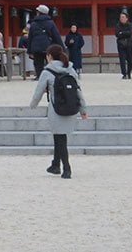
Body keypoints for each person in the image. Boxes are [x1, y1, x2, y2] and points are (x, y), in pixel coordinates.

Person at [30, 44, 88, 179]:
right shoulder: (70, 70)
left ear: (49, 56)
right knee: (59, 136)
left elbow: (38, 92)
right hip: (71, 107)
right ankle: (55, 164)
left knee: (60, 138)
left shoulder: (47, 72)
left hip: (56, 109)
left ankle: (66, 168)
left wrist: (32, 105)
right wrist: (83, 110)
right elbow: (78, 91)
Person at [27, 5, 63, 80]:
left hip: (36, 46)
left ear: (39, 12)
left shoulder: (33, 24)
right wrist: (62, 47)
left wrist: (29, 50)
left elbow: (30, 37)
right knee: (50, 62)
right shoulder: (50, 23)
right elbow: (56, 36)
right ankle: (50, 75)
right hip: (48, 46)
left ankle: (39, 76)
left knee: (38, 63)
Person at [115, 10, 132, 79]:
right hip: (121, 45)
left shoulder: (130, 25)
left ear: (126, 18)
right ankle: (124, 74)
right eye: (120, 17)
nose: (121, 18)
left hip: (129, 45)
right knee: (122, 60)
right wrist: (124, 33)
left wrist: (122, 33)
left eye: (123, 17)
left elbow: (130, 33)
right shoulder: (117, 25)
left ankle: (129, 73)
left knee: (130, 60)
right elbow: (117, 34)